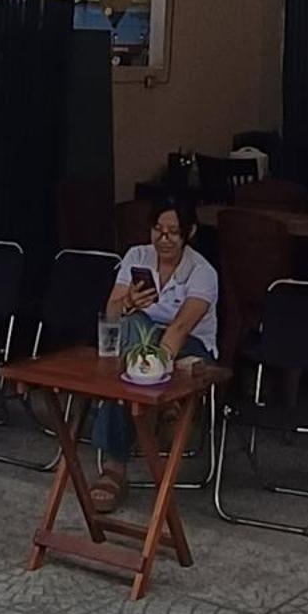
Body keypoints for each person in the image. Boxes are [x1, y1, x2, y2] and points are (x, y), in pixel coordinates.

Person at [90, 192, 217, 514]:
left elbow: (181, 327)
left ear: (189, 233)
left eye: (173, 232)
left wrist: (151, 365)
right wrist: (130, 300)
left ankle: (115, 464)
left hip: (188, 346)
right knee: (132, 324)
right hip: (137, 342)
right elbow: (111, 313)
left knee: (129, 363)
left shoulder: (203, 272)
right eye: (158, 230)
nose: (164, 239)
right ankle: (128, 444)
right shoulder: (136, 256)